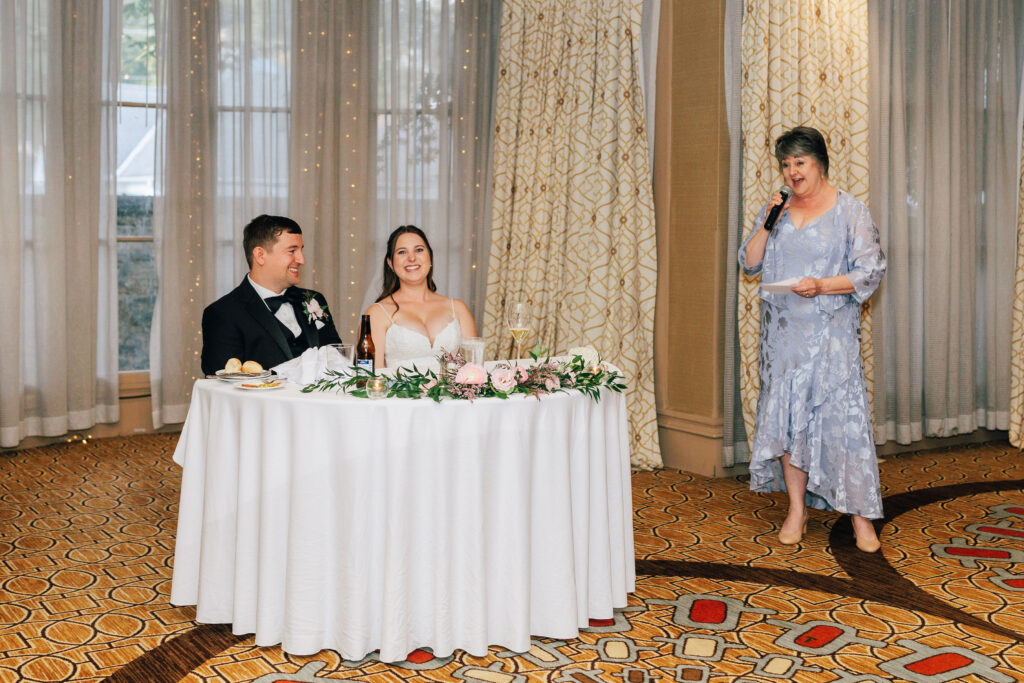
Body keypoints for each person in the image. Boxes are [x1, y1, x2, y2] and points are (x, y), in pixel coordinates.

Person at [739, 126, 887, 553]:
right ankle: (797, 509)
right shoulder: (778, 208)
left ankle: (861, 519)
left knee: (842, 424)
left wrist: (822, 285)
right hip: (783, 338)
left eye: (799, 163)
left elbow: (870, 271)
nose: (791, 173)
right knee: (789, 421)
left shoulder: (850, 211)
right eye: (785, 165)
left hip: (830, 335)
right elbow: (749, 264)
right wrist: (769, 222)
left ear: (819, 162)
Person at [200, 214, 342, 375]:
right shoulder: (223, 314)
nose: (301, 259)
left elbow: (336, 358)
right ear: (260, 255)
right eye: (292, 251)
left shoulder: (314, 300)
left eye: (301, 250)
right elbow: (223, 384)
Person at [365, 225, 477, 369]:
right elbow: (373, 378)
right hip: (398, 392)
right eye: (402, 252)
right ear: (390, 263)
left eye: (419, 250)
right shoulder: (376, 313)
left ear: (429, 257)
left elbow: (473, 370)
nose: (412, 258)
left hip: (451, 391)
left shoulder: (458, 309)